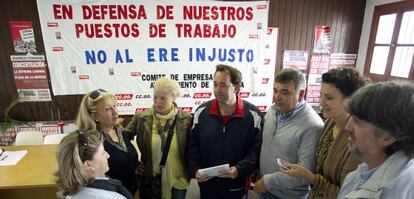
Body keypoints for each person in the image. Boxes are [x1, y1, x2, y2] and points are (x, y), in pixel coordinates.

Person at [282, 67, 367, 198]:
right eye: (321, 95)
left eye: (329, 98)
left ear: (351, 99)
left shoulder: (356, 139)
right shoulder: (330, 123)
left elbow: (347, 194)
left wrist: (310, 177)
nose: (321, 102)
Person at [187, 64, 262, 199]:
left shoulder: (253, 115)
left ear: (236, 87)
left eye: (223, 85)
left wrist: (240, 170)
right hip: (207, 185)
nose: (217, 90)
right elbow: (192, 146)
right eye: (215, 84)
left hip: (237, 185)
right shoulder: (201, 112)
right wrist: (195, 170)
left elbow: (255, 151)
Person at [253, 68, 324, 199]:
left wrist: (268, 181)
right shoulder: (272, 111)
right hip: (265, 188)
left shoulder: (313, 126)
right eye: (275, 91)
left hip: (288, 195)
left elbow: (305, 174)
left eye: (285, 92)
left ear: (301, 94)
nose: (277, 97)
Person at [337, 81, 414, 198]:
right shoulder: (368, 170)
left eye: (357, 121)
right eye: (351, 117)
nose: (347, 127)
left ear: (388, 137)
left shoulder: (391, 192)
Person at [125, 77, 192, 199]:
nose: (157, 102)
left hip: (179, 179)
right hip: (152, 179)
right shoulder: (141, 118)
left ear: (173, 97)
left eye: (163, 98)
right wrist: (133, 163)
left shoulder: (186, 119)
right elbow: (122, 141)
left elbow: (193, 147)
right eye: (155, 97)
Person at [76, 89, 139, 196]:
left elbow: (125, 156)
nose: (115, 112)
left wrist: (134, 164)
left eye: (114, 106)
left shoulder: (120, 131)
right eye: (107, 109)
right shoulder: (92, 141)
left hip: (129, 191)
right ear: (93, 116)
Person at [55, 130, 134, 199]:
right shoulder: (110, 197)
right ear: (88, 165)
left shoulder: (71, 192)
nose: (108, 155)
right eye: (103, 153)